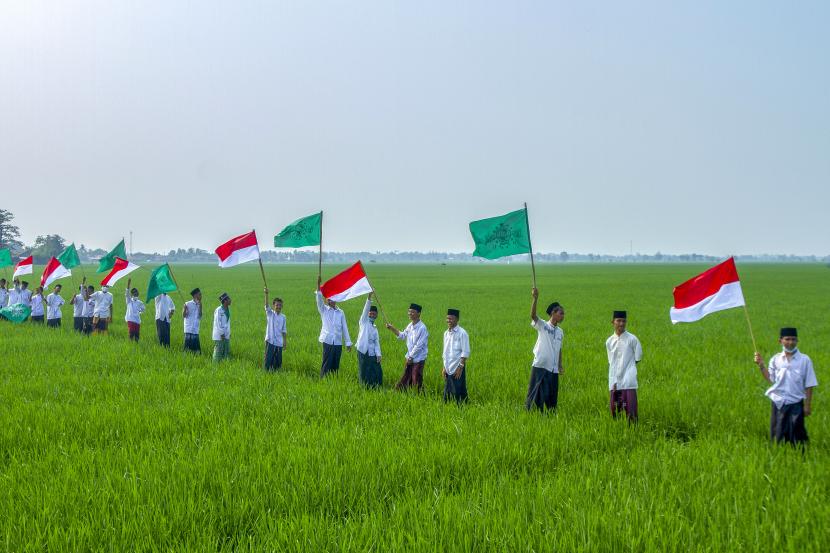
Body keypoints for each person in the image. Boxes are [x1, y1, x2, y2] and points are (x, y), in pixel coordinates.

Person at [754, 328, 818, 446]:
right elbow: (770, 379)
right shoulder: (776, 359)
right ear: (780, 341)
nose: (790, 342)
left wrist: (807, 405)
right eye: (787, 339)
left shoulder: (805, 360)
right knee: (777, 434)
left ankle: (800, 457)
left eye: (793, 339)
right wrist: (761, 365)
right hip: (778, 401)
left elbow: (809, 384)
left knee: (797, 434)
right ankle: (779, 455)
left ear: (797, 341)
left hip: (796, 402)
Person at [526, 287, 565, 412]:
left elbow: (559, 349)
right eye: (561, 313)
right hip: (541, 366)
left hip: (553, 369)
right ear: (553, 313)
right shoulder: (543, 325)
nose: (563, 316)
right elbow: (532, 315)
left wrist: (560, 365)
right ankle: (532, 414)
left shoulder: (560, 332)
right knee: (535, 394)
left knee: (551, 397)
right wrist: (535, 299)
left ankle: (549, 416)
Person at [606, 310, 643, 423]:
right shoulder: (609, 341)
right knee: (615, 410)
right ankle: (617, 429)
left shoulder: (632, 339)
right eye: (618, 321)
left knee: (630, 410)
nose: (621, 324)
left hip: (628, 380)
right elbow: (610, 361)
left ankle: (633, 431)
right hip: (614, 380)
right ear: (613, 322)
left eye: (624, 321)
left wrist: (627, 369)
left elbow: (638, 357)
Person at [386, 303, 429, 392]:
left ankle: (420, 396)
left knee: (416, 378)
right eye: (409, 312)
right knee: (406, 375)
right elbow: (402, 335)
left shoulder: (422, 328)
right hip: (410, 356)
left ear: (418, 314)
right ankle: (399, 392)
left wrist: (411, 356)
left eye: (412, 312)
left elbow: (419, 346)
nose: (410, 314)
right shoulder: (410, 325)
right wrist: (392, 328)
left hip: (418, 358)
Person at [315, 277, 352, 377]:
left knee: (336, 364)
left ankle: (333, 380)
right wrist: (318, 286)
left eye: (334, 299)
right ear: (327, 300)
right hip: (328, 341)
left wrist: (348, 342)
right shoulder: (324, 310)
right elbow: (319, 300)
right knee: (327, 362)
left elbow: (345, 328)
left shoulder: (341, 312)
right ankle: (323, 380)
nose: (332, 301)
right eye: (330, 299)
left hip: (338, 342)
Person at [442, 308, 470, 404]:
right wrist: (444, 367)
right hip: (448, 366)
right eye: (447, 318)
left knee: (458, 390)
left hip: (457, 366)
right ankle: (448, 407)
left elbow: (465, 351)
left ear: (457, 319)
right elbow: (445, 352)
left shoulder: (462, 333)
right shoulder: (446, 333)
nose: (448, 321)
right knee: (447, 390)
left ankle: (461, 407)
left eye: (451, 319)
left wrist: (460, 367)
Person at [356, 294, 382, 388]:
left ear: (377, 315)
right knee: (364, 370)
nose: (372, 315)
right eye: (370, 313)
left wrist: (378, 354)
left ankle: (375, 386)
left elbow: (376, 342)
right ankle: (364, 387)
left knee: (375, 369)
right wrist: (369, 298)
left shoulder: (375, 328)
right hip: (363, 350)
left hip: (372, 352)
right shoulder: (363, 322)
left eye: (374, 314)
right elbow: (365, 309)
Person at [263, 287, 287, 371]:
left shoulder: (283, 317)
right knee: (268, 361)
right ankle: (266, 374)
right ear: (273, 306)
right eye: (277, 305)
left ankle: (276, 374)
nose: (278, 307)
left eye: (280, 305)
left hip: (279, 342)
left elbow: (284, 330)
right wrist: (266, 294)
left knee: (278, 362)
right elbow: (266, 306)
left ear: (282, 306)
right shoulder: (270, 314)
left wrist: (284, 341)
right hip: (270, 341)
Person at [212, 292, 231, 363]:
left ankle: (223, 365)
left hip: (226, 334)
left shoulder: (228, 309)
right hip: (219, 335)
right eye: (229, 299)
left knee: (226, 351)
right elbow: (217, 323)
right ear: (225, 301)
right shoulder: (219, 310)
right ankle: (215, 364)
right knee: (218, 351)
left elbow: (227, 323)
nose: (230, 300)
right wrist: (221, 333)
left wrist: (228, 333)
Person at [182, 288, 203, 353]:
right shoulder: (187, 304)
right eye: (199, 294)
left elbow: (200, 315)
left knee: (196, 346)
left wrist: (200, 306)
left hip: (195, 328)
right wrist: (185, 309)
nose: (201, 296)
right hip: (188, 327)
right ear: (195, 295)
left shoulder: (200, 304)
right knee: (187, 346)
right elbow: (184, 315)